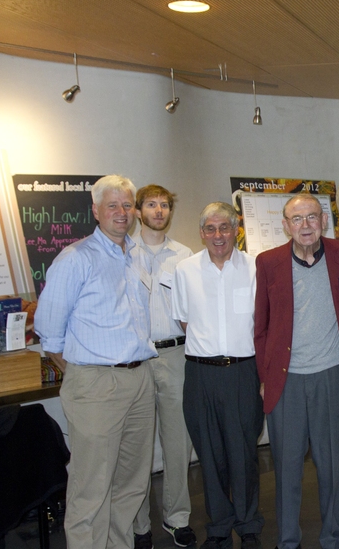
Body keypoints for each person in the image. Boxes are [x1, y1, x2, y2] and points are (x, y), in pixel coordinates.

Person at [34, 174, 157, 548]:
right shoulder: (75, 258)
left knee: (131, 484)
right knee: (92, 489)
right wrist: (87, 376)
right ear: (96, 211)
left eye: (127, 205)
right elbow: (49, 333)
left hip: (139, 379)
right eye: (112, 205)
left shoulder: (134, 254)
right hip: (96, 384)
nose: (121, 213)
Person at [254, 195, 339, 549]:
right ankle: (288, 540)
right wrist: (265, 378)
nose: (305, 225)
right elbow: (261, 326)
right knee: (287, 467)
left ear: (323, 220)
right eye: (296, 219)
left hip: (333, 375)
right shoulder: (268, 262)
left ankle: (332, 537)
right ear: (285, 225)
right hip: (288, 379)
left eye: (312, 216)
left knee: (331, 467)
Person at [172, 202, 264, 549]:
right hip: (201, 374)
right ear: (201, 233)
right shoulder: (184, 270)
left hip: (243, 372)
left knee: (244, 452)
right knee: (209, 455)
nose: (217, 235)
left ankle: (249, 523)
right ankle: (219, 526)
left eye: (224, 227)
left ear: (236, 229)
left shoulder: (256, 269)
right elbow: (183, 320)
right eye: (210, 229)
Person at [132, 184, 196, 549]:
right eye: (151, 205)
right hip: (136, 359)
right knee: (137, 448)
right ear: (139, 211)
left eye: (164, 205)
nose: (159, 211)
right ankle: (140, 526)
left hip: (175, 356)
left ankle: (177, 518)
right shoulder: (124, 253)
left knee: (177, 443)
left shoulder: (184, 255)